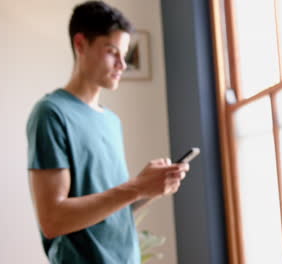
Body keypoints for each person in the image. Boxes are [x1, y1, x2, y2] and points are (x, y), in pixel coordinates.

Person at [26, 1, 189, 263]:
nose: (122, 64)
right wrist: (137, 187)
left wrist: (149, 189)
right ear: (80, 44)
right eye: (112, 52)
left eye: (125, 54)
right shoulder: (51, 113)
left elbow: (110, 212)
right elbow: (54, 220)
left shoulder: (111, 121)